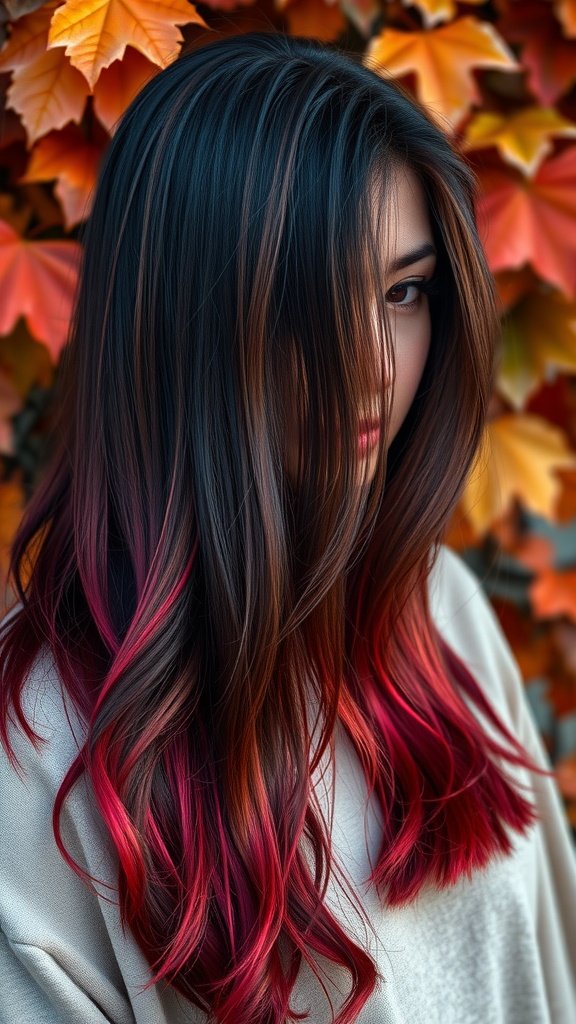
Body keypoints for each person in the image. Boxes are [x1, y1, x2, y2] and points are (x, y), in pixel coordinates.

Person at [0, 30, 574, 1024]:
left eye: (404, 292)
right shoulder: (35, 748)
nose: (373, 366)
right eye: (312, 303)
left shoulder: (437, 603)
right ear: (187, 323)